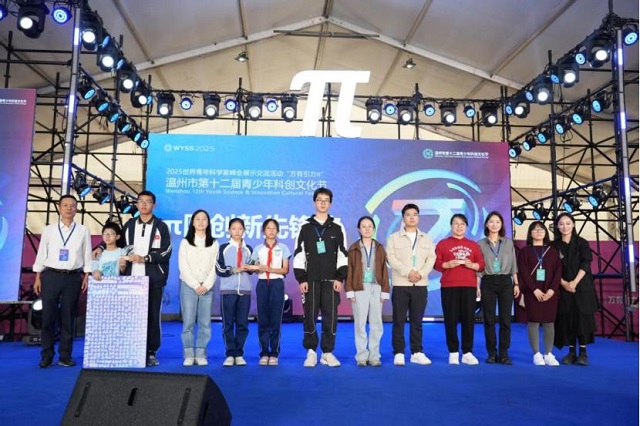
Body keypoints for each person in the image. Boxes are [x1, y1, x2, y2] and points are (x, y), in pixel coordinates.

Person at [98, 190, 172, 367]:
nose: (144, 205)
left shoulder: (161, 227)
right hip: (130, 279)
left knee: (152, 315)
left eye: (148, 202)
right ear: (137, 204)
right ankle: (132, 349)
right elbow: (116, 239)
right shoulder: (129, 225)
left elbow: (166, 252)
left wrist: (145, 258)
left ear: (154, 205)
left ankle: (151, 351)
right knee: (131, 316)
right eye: (141, 201)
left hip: (153, 279)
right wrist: (100, 247)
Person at [33, 195, 92, 368]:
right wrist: (38, 277)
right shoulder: (49, 230)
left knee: (68, 318)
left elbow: (87, 253)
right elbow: (41, 253)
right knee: (48, 317)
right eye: (65, 205)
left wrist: (86, 275)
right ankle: (47, 355)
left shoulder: (83, 230)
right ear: (59, 208)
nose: (68, 208)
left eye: (72, 205)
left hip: (73, 277)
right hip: (50, 276)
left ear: (76, 209)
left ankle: (65, 356)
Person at [293, 187, 348, 368]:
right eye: (319, 200)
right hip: (310, 280)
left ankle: (327, 352)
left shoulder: (338, 228)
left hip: (331, 280)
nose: (323, 203)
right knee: (309, 315)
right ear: (314, 202)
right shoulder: (305, 227)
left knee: (330, 316)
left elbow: (343, 254)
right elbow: (299, 253)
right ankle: (311, 351)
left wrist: (340, 277)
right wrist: (301, 279)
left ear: (330, 204)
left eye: (326, 200)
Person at [386, 203, 436, 366]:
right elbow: (391, 258)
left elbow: (431, 259)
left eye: (415, 214)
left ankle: (417, 352)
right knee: (398, 320)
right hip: (400, 284)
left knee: (417, 321)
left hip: (420, 285)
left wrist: (420, 274)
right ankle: (399, 352)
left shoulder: (426, 238)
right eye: (408, 214)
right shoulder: (393, 238)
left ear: (418, 217)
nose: (412, 217)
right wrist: (407, 272)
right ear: (403, 218)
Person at [434, 214, 485, 366]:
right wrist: (447, 265)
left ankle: (467, 352)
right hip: (449, 285)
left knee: (468, 319)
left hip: (469, 286)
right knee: (450, 319)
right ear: (451, 226)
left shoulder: (473, 245)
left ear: (466, 227)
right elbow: (436, 263)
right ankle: (453, 352)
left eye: (462, 224)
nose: (459, 226)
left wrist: (472, 265)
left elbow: (481, 264)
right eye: (456, 223)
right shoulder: (443, 243)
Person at [553, 213, 599, 366]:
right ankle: (571, 352)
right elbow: (552, 268)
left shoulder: (582, 243)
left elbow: (586, 263)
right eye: (561, 224)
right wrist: (564, 283)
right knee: (568, 319)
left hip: (582, 286)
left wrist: (574, 283)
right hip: (563, 287)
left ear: (573, 224)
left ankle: (583, 353)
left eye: (568, 223)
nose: (565, 226)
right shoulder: (554, 245)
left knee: (582, 319)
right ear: (557, 226)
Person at [346, 216, 390, 367]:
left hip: (376, 287)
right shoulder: (353, 248)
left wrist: (385, 291)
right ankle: (361, 356)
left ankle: (374, 355)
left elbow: (384, 270)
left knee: (376, 323)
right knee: (360, 324)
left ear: (374, 229)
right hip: (359, 287)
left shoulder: (379, 248)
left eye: (369, 226)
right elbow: (349, 270)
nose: (367, 229)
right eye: (363, 226)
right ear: (359, 229)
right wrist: (350, 290)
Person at [477, 211, 520, 365]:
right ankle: (491, 353)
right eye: (491, 221)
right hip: (487, 282)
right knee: (488, 319)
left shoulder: (508, 243)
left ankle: (503, 353)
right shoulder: (480, 244)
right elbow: (479, 267)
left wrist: (516, 283)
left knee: (505, 319)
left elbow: (513, 264)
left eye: (498, 222)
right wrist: (477, 286)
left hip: (505, 281)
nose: (494, 225)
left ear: (502, 225)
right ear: (486, 224)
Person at [517, 220, 562, 366]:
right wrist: (534, 289)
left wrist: (552, 290)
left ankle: (548, 353)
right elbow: (523, 272)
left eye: (541, 229)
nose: (538, 231)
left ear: (545, 232)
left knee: (549, 322)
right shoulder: (524, 251)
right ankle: (536, 354)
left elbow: (558, 272)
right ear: (530, 233)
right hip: (532, 292)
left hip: (550, 292)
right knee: (534, 321)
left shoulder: (553, 251)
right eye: (535, 229)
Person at [178, 209, 219, 367]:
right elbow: (183, 266)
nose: (201, 222)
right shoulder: (185, 242)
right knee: (188, 322)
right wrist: (195, 285)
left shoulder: (214, 243)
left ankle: (201, 353)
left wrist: (206, 285)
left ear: (208, 223)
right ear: (193, 222)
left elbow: (215, 267)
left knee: (205, 322)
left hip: (207, 287)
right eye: (198, 219)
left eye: (204, 219)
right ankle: (189, 354)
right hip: (189, 287)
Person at [251, 218, 291, 366]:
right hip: (262, 284)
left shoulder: (283, 248)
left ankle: (274, 352)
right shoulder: (258, 249)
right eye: (268, 228)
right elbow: (254, 267)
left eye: (274, 228)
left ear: (278, 231)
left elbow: (285, 270)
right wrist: (257, 268)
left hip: (277, 284)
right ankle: (264, 352)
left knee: (275, 319)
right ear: (263, 231)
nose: (271, 231)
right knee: (263, 319)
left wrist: (270, 269)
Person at [216, 218, 254, 367]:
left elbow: (252, 269)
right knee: (228, 324)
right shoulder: (223, 248)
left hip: (245, 291)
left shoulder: (248, 249)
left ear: (244, 230)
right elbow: (218, 269)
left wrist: (252, 267)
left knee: (242, 324)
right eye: (234, 228)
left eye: (240, 228)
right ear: (229, 230)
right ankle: (230, 353)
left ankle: (239, 353)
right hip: (228, 290)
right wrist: (234, 270)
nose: (237, 231)